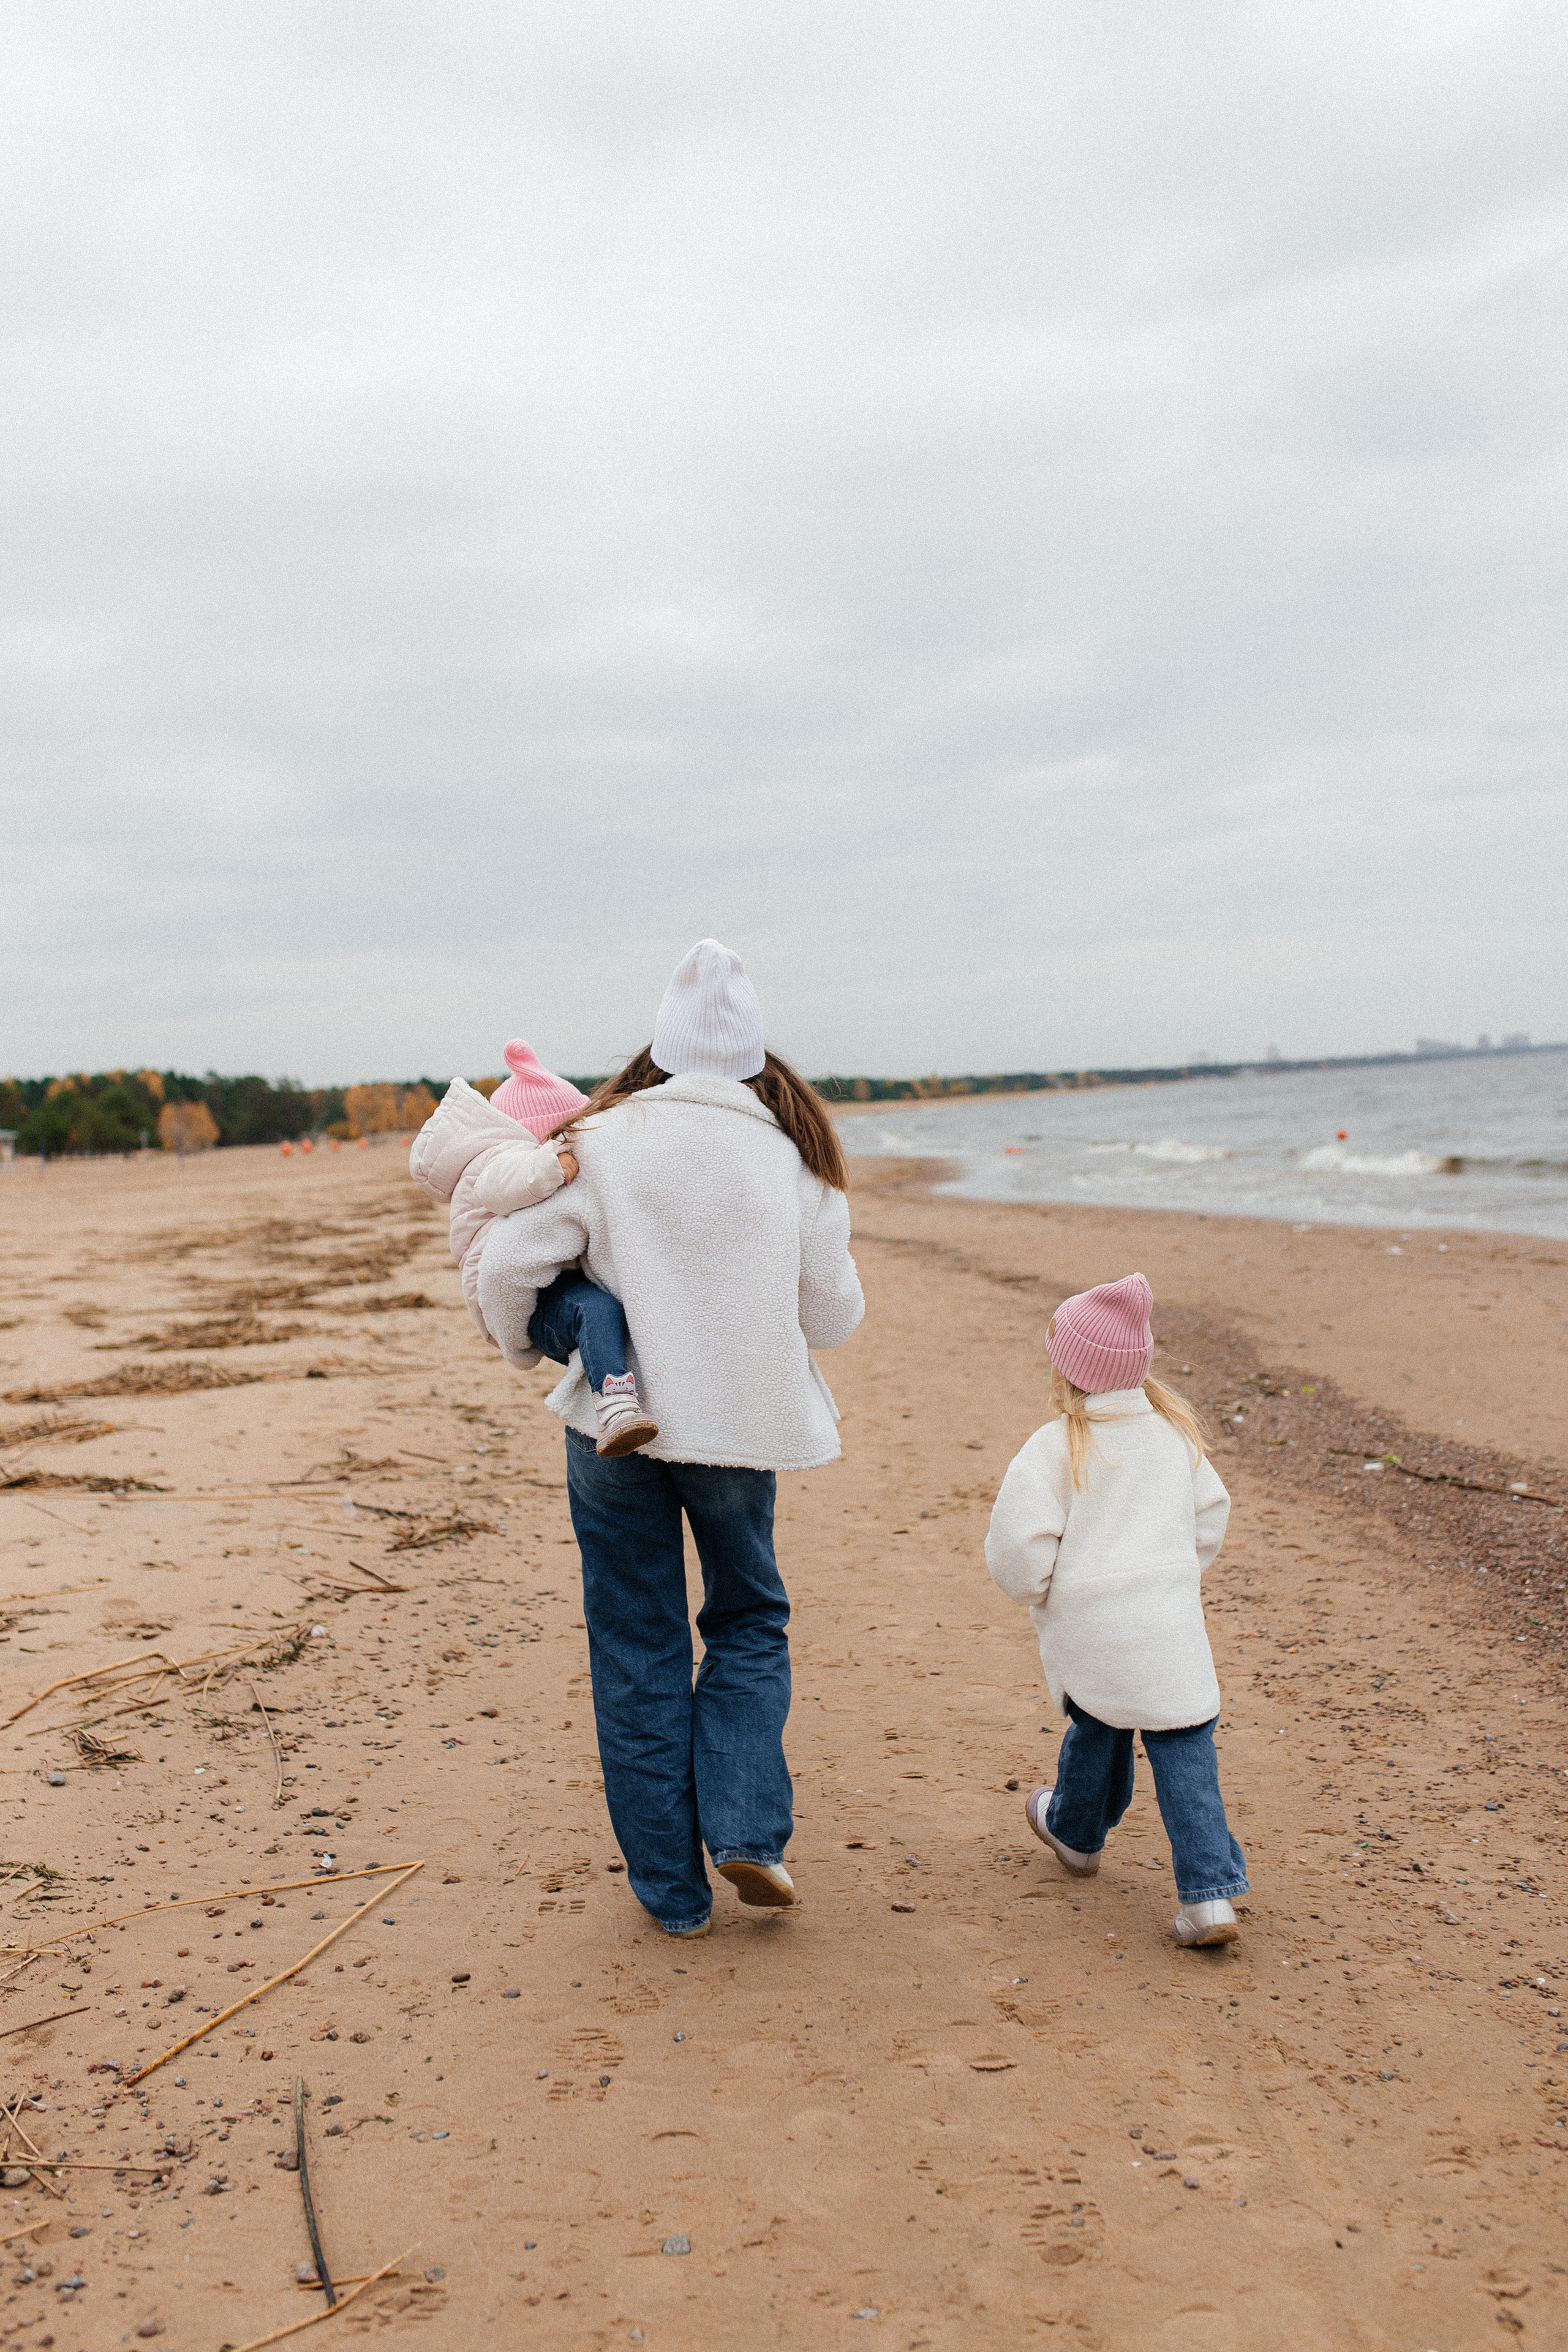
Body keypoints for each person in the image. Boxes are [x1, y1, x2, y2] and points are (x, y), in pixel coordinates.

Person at [477, 939, 865, 1938]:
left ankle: (672, 1893)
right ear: (753, 1054)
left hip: (614, 1426)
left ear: (661, 1046)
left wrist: (525, 1344)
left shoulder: (602, 1140)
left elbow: (509, 1261)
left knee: (635, 1640)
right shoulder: (795, 1159)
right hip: (739, 1428)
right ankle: (747, 1833)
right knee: (747, 1619)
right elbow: (833, 1317)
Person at [984, 1272, 1247, 1947]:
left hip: (1093, 1626)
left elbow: (1017, 1551)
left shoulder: (1053, 1446)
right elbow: (1210, 1517)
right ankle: (1209, 1899)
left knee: (1098, 1721)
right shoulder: (1174, 1437)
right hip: (1168, 1625)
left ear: (1066, 1366)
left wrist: (1045, 1588)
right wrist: (1171, 1574)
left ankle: (1075, 1835)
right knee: (1183, 1745)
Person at [408, 1039, 658, 1455]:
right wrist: (552, 1164)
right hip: (522, 1295)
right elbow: (498, 1188)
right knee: (596, 1310)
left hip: (547, 1283)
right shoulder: (502, 1158)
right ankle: (615, 1406)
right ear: (544, 1131)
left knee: (602, 1311)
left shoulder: (513, 1153)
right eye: (568, 1130)